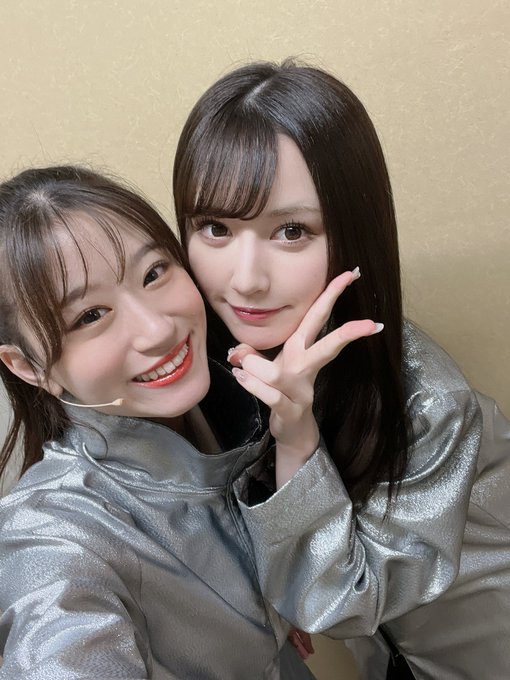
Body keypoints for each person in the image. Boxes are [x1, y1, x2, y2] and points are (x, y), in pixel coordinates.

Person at [173, 59, 510, 680]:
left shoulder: (431, 404)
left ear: (353, 232)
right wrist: (278, 581)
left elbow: (343, 602)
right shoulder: (228, 358)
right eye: (215, 227)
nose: (245, 279)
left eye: (291, 230)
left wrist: (295, 437)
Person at [0, 165, 376, 679]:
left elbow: (337, 605)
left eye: (154, 273)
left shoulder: (232, 402)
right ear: (27, 367)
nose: (157, 329)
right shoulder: (55, 535)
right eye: (90, 316)